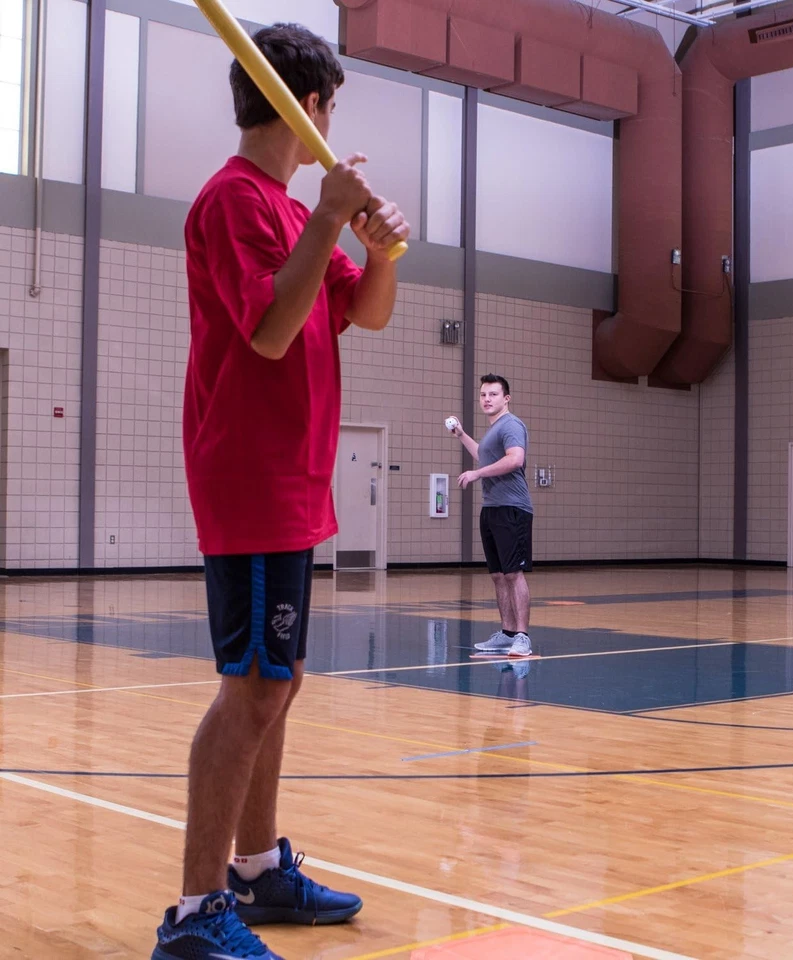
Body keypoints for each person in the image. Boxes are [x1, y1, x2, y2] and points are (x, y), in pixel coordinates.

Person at [153, 23, 410, 960]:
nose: (334, 126)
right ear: (307, 107)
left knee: (279, 680)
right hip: (249, 478)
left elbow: (363, 314)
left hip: (296, 480)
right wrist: (330, 219)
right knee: (253, 686)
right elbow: (267, 327)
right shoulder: (233, 202)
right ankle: (192, 914)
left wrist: (377, 250)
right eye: (331, 108)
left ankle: (257, 871)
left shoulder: (289, 207)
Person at [448, 374, 535, 658]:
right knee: (498, 575)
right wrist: (461, 434)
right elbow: (483, 456)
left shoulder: (511, 425)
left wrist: (477, 474)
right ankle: (507, 633)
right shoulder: (493, 431)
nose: (487, 399)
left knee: (513, 573)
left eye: (493, 394)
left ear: (506, 398)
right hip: (492, 508)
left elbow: (515, 459)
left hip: (513, 508)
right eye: (483, 394)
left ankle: (522, 636)